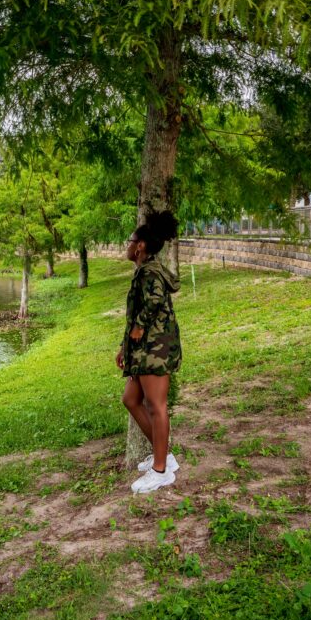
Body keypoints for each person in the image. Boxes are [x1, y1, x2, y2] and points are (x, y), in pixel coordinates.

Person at [116, 211, 182, 494]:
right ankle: (163, 456)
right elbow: (135, 314)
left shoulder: (151, 272)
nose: (127, 245)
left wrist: (140, 328)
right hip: (143, 350)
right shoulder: (145, 270)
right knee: (131, 399)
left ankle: (160, 471)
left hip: (155, 349)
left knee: (157, 406)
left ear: (140, 245)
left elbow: (153, 302)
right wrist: (125, 345)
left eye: (130, 241)